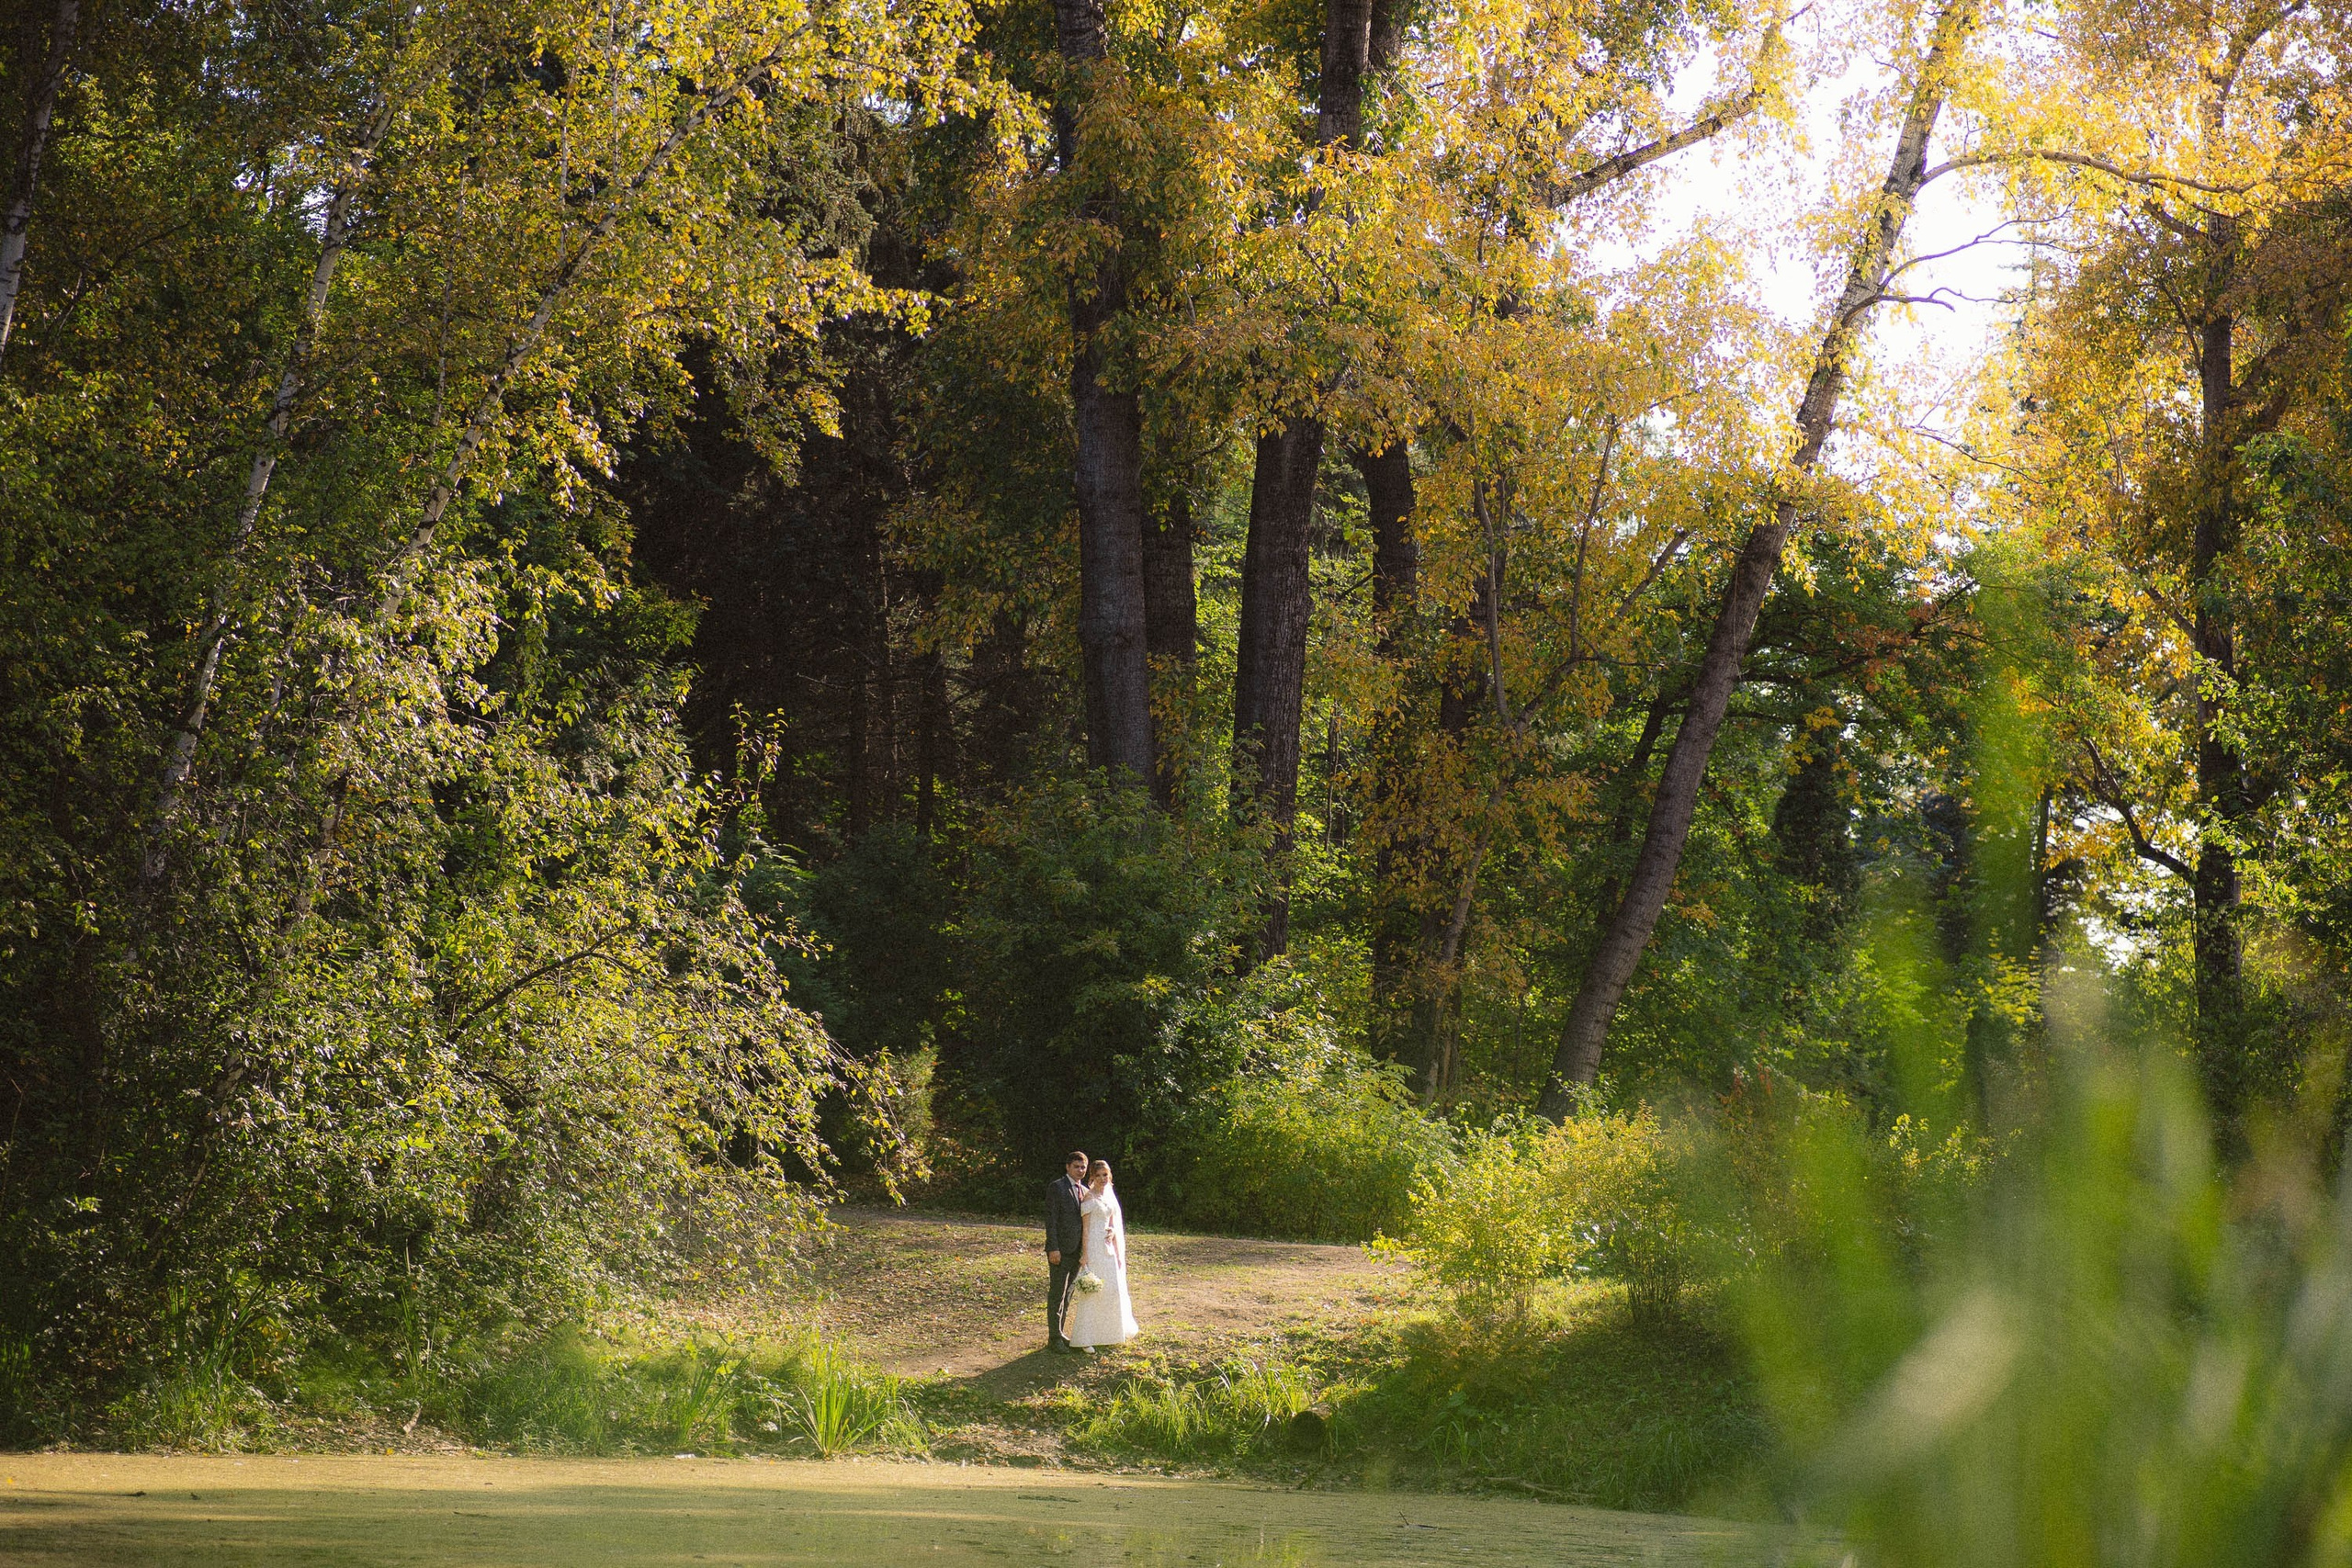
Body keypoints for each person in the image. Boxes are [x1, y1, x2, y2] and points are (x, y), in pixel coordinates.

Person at [1065, 1158, 1138, 1350]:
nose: (1102, 1178)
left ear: (1109, 1175)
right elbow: (1086, 1229)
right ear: (1092, 1177)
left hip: (1108, 1248)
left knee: (1112, 1289)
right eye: (1098, 1176)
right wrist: (1085, 1254)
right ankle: (1085, 1338)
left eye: (1105, 1175)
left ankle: (1110, 1332)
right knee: (1093, 1292)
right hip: (1094, 1248)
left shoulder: (1108, 1196)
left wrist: (1113, 1232)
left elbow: (1112, 1221)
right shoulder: (1089, 1198)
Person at [1044, 1149, 1088, 1354]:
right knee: (1057, 1294)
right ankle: (1053, 1338)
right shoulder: (1057, 1187)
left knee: (1068, 1294)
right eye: (1076, 1166)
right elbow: (1051, 1220)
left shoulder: (1085, 1190)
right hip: (1060, 1251)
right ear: (1068, 1167)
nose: (1080, 1170)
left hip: (1077, 1252)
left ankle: (1060, 1333)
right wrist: (1053, 1248)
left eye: (1083, 1167)